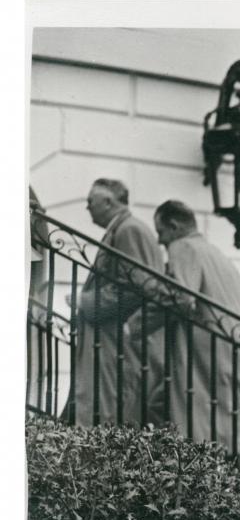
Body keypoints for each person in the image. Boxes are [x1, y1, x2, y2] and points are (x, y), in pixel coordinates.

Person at [131, 199, 240, 472]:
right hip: (239, 352)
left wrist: (140, 315)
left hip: (211, 355)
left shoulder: (182, 247)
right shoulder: (216, 253)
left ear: (173, 227)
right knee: (236, 437)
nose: (161, 243)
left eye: (161, 233)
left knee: (222, 437)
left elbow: (183, 298)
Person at [70, 178, 162, 427]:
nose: (87, 207)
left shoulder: (128, 229)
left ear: (108, 202)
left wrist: (86, 302)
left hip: (115, 338)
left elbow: (137, 286)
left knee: (110, 407)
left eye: (91, 201)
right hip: (113, 337)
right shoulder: (123, 228)